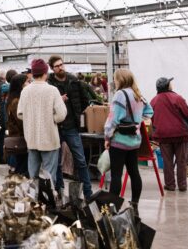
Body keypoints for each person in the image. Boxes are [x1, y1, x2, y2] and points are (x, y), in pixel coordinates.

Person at [104, 69, 154, 217]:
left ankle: (113, 207)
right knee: (134, 173)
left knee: (116, 175)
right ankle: (135, 204)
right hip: (134, 142)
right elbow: (150, 111)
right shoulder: (138, 94)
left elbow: (113, 119)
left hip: (119, 141)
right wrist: (137, 121)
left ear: (120, 79)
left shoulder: (120, 95)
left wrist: (107, 137)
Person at [48, 55, 94, 199]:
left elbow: (85, 100)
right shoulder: (49, 84)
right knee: (57, 162)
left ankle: (88, 192)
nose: (61, 67)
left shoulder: (74, 81)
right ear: (52, 69)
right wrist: (58, 101)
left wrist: (78, 113)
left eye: (62, 64)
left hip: (72, 126)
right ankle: (59, 191)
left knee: (80, 160)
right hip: (56, 126)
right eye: (57, 66)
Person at [18, 60, 67, 180]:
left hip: (31, 138)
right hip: (49, 138)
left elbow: (20, 114)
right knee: (49, 176)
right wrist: (50, 119)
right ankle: (48, 197)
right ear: (45, 73)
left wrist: (31, 119)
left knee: (32, 176)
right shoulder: (52, 90)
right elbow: (61, 115)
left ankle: (34, 198)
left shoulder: (25, 91)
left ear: (33, 74)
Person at [150, 77, 188, 192]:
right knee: (181, 161)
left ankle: (170, 185)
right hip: (180, 134)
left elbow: (152, 117)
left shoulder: (153, 101)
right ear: (167, 86)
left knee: (167, 161)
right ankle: (182, 185)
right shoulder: (177, 98)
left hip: (163, 135)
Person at [6, 73, 29, 177]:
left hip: (20, 136)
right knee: (22, 167)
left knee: (22, 165)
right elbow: (21, 121)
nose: (30, 84)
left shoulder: (16, 99)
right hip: (20, 137)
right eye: (27, 82)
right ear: (21, 85)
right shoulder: (16, 101)